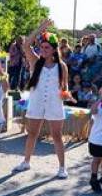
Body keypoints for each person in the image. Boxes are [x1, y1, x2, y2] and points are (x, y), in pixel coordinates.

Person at [13, 19, 70, 178]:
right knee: (32, 133)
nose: (43, 50)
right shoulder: (35, 61)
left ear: (54, 49)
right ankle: (26, 162)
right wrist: (40, 28)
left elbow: (65, 87)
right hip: (37, 102)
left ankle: (62, 167)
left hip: (54, 104)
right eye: (42, 47)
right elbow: (26, 45)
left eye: (47, 47)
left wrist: (66, 94)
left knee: (57, 136)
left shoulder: (62, 66)